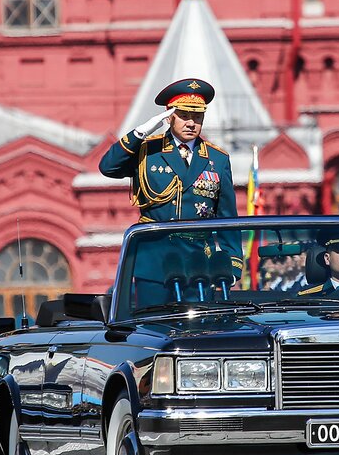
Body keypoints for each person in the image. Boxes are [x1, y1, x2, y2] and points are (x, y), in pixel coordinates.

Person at [99, 78, 243, 306]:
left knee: (198, 331)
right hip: (155, 259)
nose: (191, 123)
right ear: (169, 117)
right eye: (184, 116)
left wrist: (232, 261)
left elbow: (227, 216)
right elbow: (108, 167)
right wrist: (140, 133)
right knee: (152, 326)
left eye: (197, 117)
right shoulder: (148, 151)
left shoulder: (217, 159)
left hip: (198, 262)